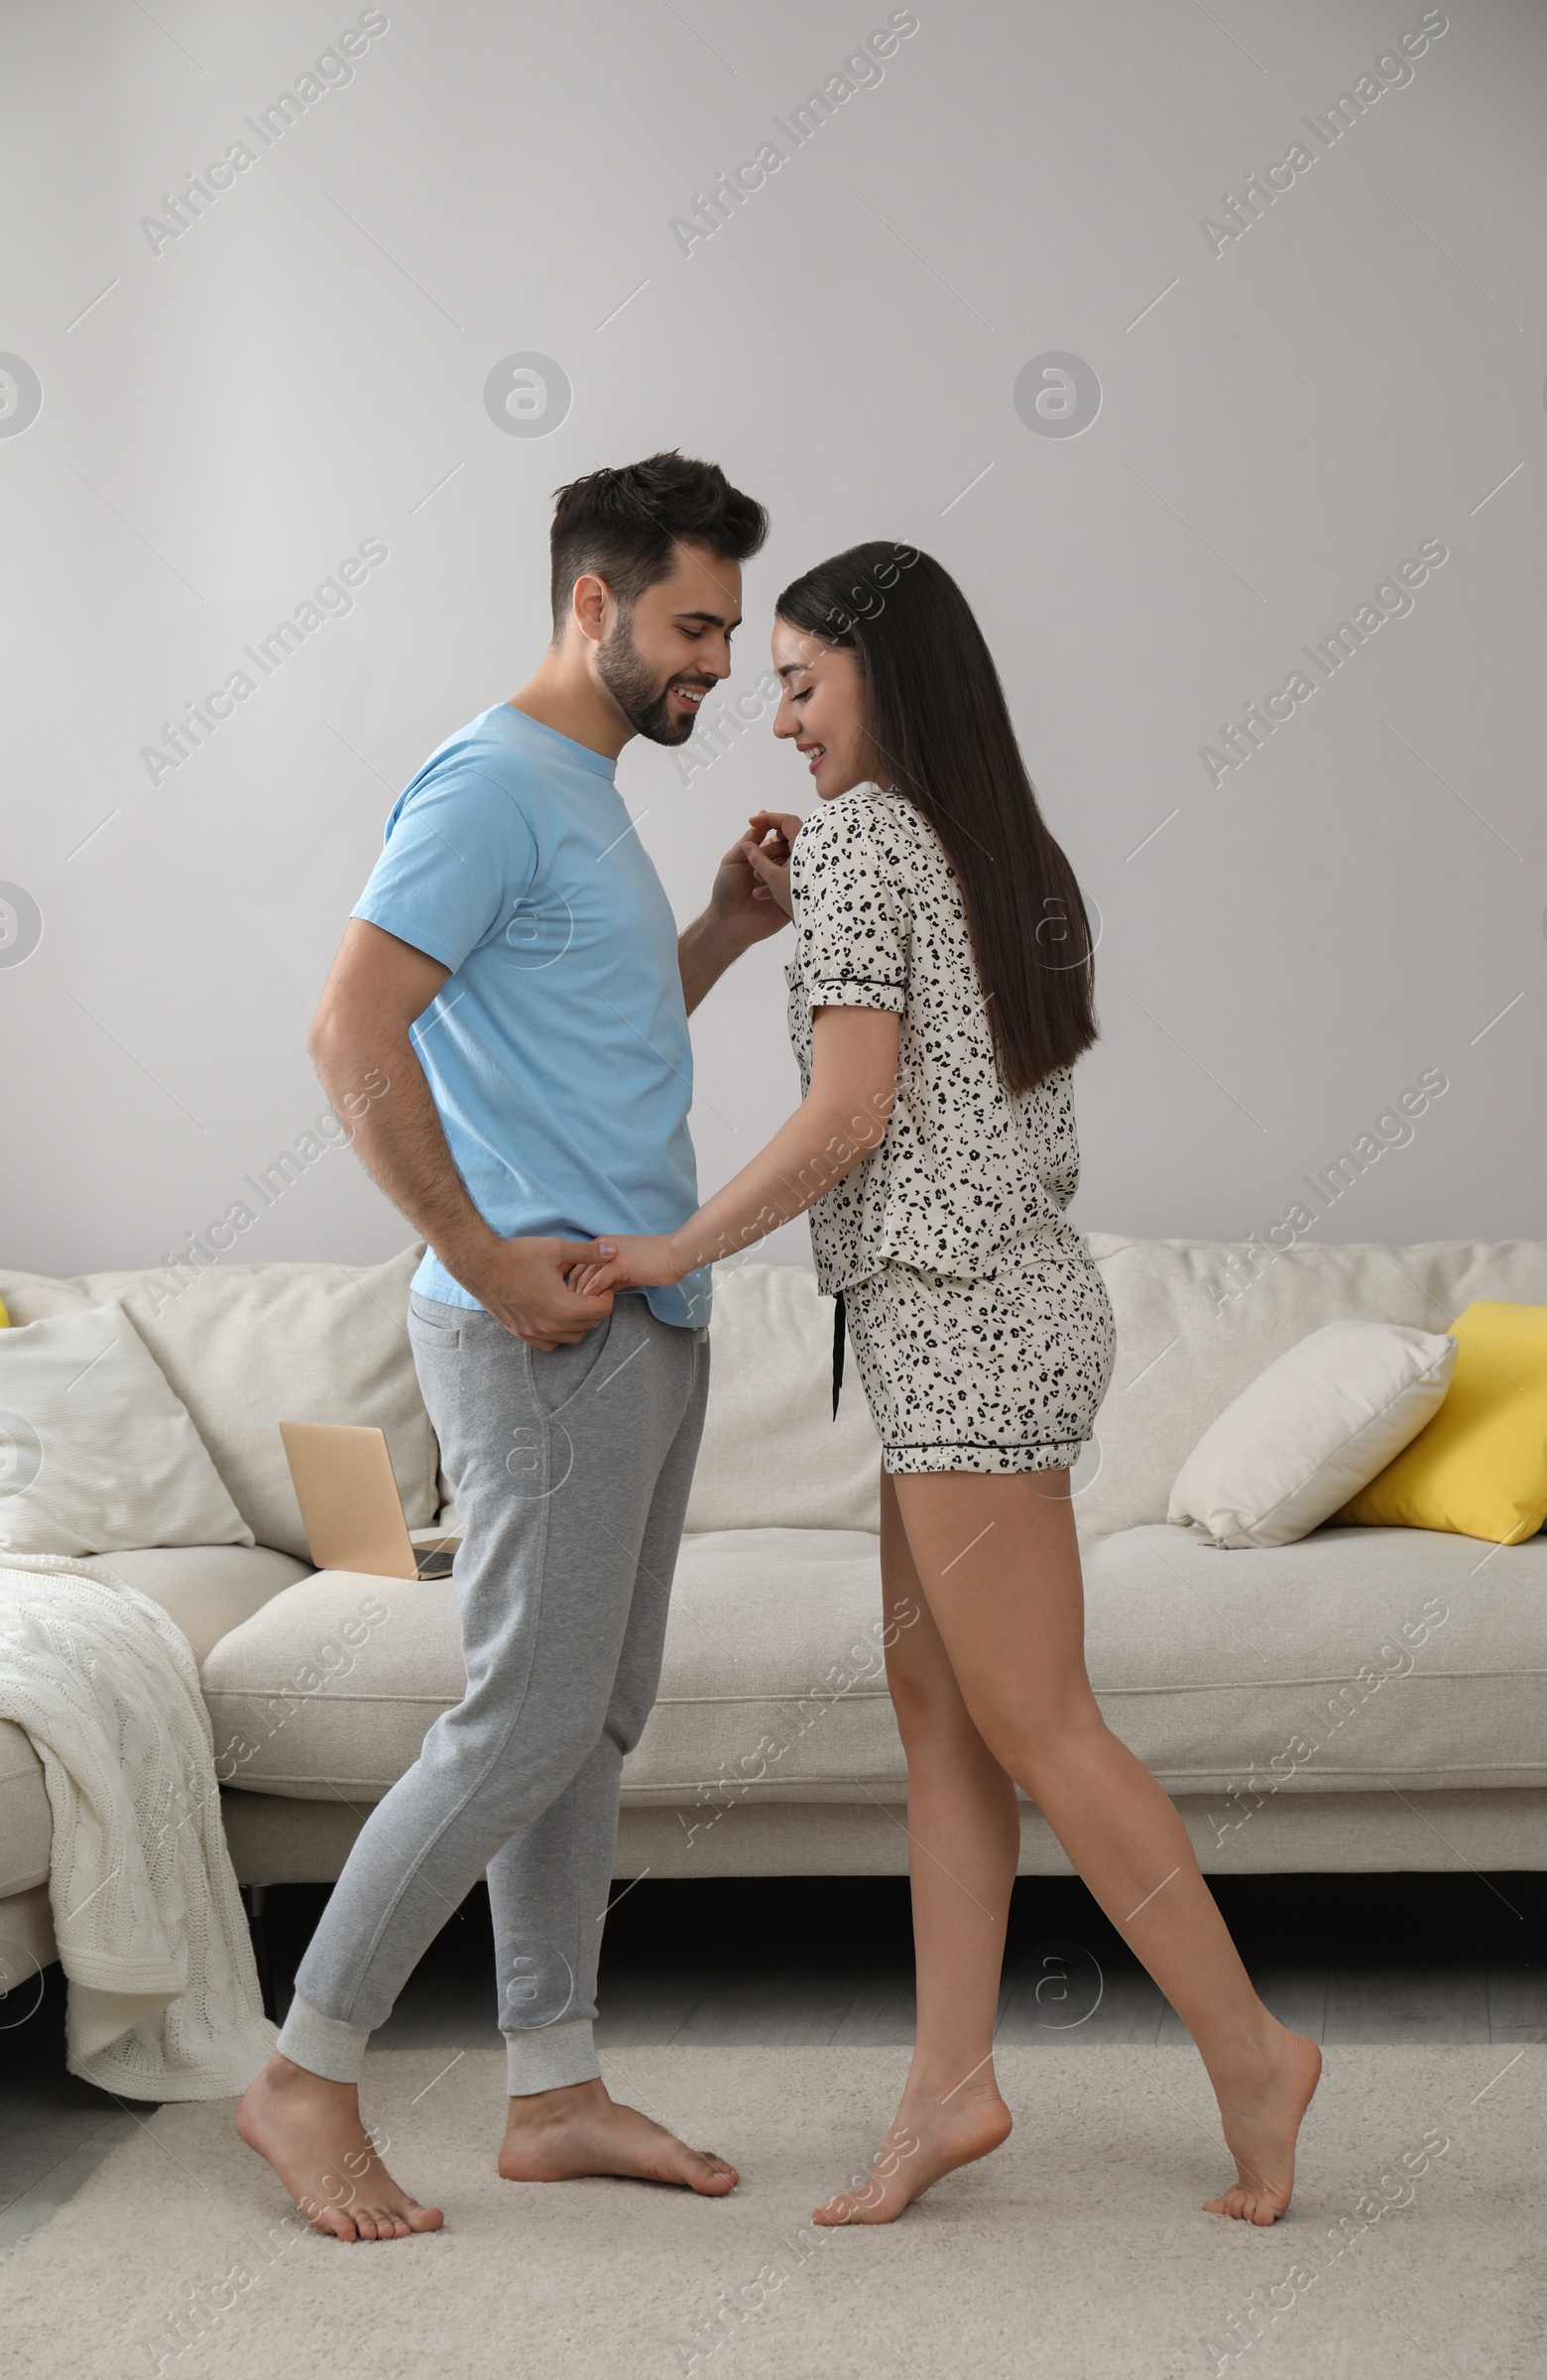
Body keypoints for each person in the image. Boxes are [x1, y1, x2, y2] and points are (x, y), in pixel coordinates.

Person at [573, 541, 1323, 2228]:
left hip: (964, 1329)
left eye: (800, 683)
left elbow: (849, 1120)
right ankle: (951, 2086)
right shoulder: (994, 845)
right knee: (946, 1718)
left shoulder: (862, 848)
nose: (775, 719)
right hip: (992, 1317)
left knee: (1038, 1719)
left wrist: (675, 1247)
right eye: (766, 681)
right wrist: (758, 926)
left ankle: (1252, 2053)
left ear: (883, 685)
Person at [237, 452, 798, 2240]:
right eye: (693, 625)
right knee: (525, 1711)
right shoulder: (490, 783)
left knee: (587, 1720)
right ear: (591, 602)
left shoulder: (590, 790)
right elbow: (349, 1029)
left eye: (728, 629)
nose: (715, 663)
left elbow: (580, 1041)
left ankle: (550, 2089)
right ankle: (303, 2074)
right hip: (541, 1329)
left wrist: (718, 927)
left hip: (641, 1313)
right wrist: (480, 1261)